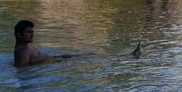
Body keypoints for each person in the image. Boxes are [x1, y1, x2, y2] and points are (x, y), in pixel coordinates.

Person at [13, 20, 141, 67]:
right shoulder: (22, 51)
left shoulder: (24, 48)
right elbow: (22, 69)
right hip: (57, 61)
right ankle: (128, 56)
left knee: (90, 54)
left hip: (57, 59)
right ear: (19, 34)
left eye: (32, 32)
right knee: (91, 56)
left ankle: (126, 55)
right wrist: (39, 63)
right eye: (29, 32)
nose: (32, 34)